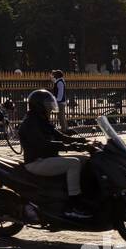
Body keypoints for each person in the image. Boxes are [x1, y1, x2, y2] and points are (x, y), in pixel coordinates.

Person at [18, 88, 92, 220]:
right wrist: (69, 146)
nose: (50, 108)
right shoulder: (31, 123)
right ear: (39, 106)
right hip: (36, 161)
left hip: (48, 158)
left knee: (85, 160)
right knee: (74, 164)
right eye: (47, 105)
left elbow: (60, 136)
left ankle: (86, 196)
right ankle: (72, 206)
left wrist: (83, 141)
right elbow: (44, 144)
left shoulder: (41, 120)